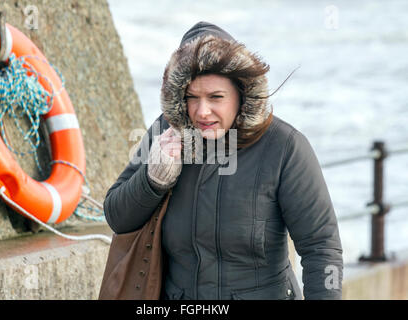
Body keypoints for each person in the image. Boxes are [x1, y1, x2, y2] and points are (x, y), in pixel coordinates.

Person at [104, 21, 343, 300]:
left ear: (240, 94)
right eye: (192, 98)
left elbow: (321, 247)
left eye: (215, 97)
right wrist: (152, 180)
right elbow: (117, 217)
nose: (202, 111)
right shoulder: (165, 133)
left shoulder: (285, 146)